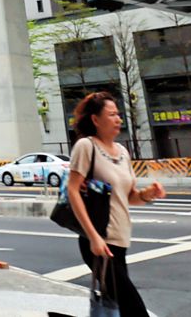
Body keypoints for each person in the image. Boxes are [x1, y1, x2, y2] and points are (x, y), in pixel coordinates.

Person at [67, 91, 164, 316]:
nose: (118, 119)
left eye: (118, 114)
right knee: (135, 310)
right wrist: (93, 237)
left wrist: (148, 194)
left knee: (120, 308)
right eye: (111, 114)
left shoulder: (122, 152)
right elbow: (73, 190)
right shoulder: (86, 146)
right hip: (100, 242)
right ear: (95, 119)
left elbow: (129, 197)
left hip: (120, 241)